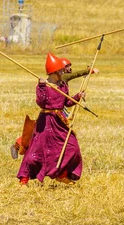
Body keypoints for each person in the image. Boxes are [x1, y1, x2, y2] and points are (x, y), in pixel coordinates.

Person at [10, 57, 99, 159]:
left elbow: (67, 100)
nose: (70, 69)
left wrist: (78, 95)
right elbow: (75, 74)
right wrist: (89, 71)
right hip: (52, 111)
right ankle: (19, 146)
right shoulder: (63, 76)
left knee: (49, 135)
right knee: (40, 134)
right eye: (68, 66)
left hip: (60, 108)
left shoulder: (61, 80)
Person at [16, 53, 85, 185]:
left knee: (72, 146)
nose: (63, 71)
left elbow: (67, 103)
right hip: (46, 122)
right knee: (36, 152)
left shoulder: (63, 84)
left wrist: (78, 96)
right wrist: (42, 86)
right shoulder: (44, 85)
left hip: (59, 122)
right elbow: (41, 102)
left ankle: (62, 173)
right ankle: (24, 179)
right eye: (60, 70)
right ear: (54, 71)